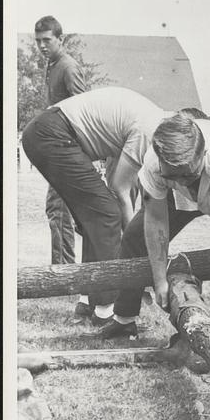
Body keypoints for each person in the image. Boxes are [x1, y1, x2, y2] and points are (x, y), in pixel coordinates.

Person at [97, 113, 210, 368]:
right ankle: (124, 317)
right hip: (197, 173)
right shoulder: (155, 162)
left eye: (186, 175)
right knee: (134, 234)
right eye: (173, 176)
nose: (180, 182)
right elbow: (156, 223)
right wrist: (160, 279)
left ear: (202, 154)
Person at [22, 87, 173, 324]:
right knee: (106, 214)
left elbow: (119, 180)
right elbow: (120, 188)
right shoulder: (149, 128)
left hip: (46, 132)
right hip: (51, 133)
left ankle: (87, 301)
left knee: (96, 217)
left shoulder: (146, 122)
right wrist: (134, 239)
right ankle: (105, 308)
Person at [34, 16, 87, 272]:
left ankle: (63, 273)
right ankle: (64, 269)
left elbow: (85, 113)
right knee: (59, 211)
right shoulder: (52, 64)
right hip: (56, 150)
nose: (42, 46)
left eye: (47, 40)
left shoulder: (68, 67)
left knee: (59, 210)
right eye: (38, 41)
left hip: (68, 153)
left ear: (60, 39)